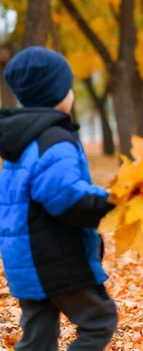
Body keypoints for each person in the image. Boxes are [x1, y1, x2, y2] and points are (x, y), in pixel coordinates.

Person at [0, 47, 118, 350]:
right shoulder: (53, 138)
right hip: (54, 257)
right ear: (58, 92)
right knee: (99, 320)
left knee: (38, 336)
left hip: (25, 259)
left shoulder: (21, 139)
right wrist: (107, 199)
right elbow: (64, 198)